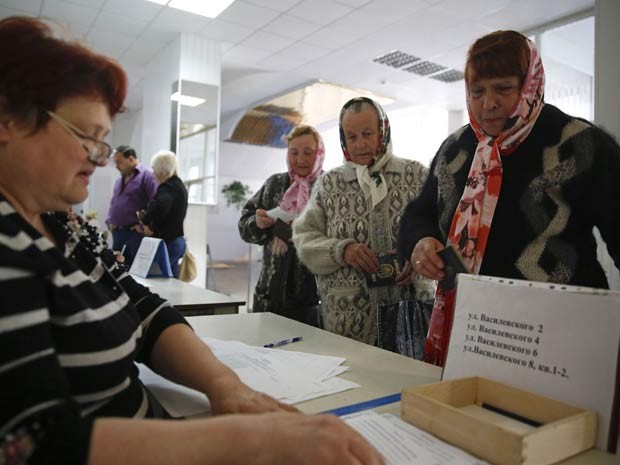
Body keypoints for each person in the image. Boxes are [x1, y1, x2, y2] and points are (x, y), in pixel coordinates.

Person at [0, 17, 385, 465]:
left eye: (104, 142)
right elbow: (31, 445)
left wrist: (226, 386)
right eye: (86, 137)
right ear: (8, 120)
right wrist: (253, 441)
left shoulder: (62, 225)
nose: (99, 159)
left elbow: (141, 308)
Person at [397, 30, 620, 366]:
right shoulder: (455, 149)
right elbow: (421, 212)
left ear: (530, 84)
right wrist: (420, 242)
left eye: (503, 88)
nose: (489, 103)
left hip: (561, 337)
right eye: (477, 92)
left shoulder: (580, 144)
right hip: (473, 331)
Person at [293, 97, 434, 345]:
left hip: (411, 317)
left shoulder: (416, 175)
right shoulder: (331, 184)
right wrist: (341, 250)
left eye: (368, 133)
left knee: (409, 381)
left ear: (383, 130)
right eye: (352, 137)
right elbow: (304, 239)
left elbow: (443, 230)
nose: (361, 145)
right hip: (349, 322)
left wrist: (418, 256)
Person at [239, 125, 324, 326]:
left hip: (312, 301)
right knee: (264, 355)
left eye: (308, 153)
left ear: (319, 153)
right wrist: (257, 223)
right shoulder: (274, 184)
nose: (300, 159)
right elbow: (244, 225)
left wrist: (300, 231)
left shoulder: (328, 187)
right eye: (294, 152)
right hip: (268, 296)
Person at [106, 145, 158, 267]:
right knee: (117, 268)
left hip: (134, 233)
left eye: (119, 162)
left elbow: (154, 203)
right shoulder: (120, 180)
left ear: (130, 159)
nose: (117, 166)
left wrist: (143, 225)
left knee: (134, 270)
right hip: (117, 232)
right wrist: (109, 220)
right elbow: (114, 202)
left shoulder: (147, 175)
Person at [138, 150, 188, 278]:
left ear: (161, 169)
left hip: (167, 243)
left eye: (154, 169)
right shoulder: (179, 185)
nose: (153, 173)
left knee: (157, 284)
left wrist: (147, 221)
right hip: (177, 241)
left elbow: (161, 206)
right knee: (171, 285)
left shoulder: (167, 187)